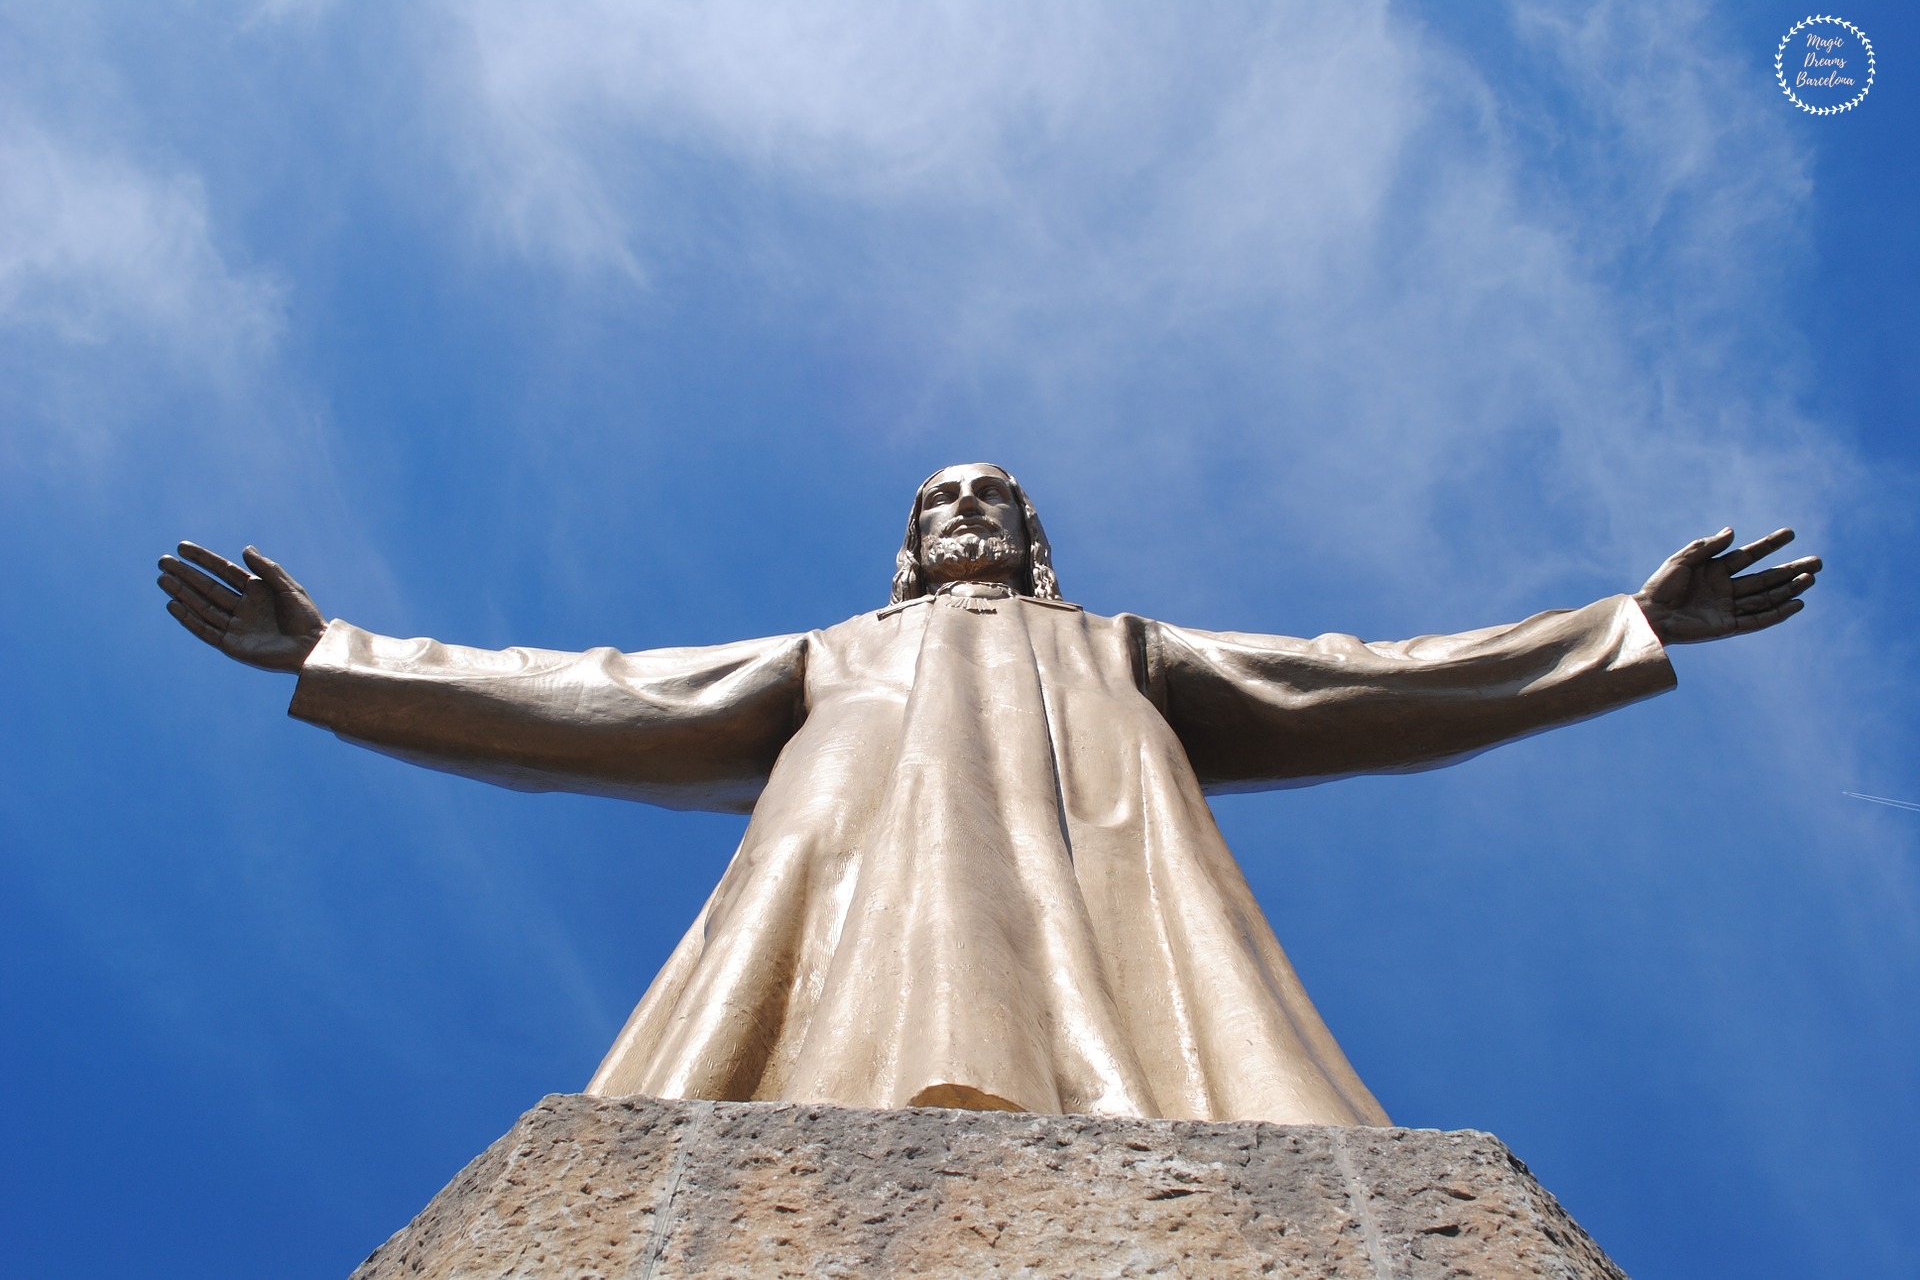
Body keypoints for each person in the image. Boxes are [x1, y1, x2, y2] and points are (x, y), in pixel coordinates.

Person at [157, 464, 1820, 1125]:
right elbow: (599, 690)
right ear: (906, 545)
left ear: (1032, 542)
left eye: (994, 498)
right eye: (942, 497)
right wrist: (345, 650)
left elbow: (1359, 677)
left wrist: (1624, 623)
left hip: (1108, 900)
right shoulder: (836, 653)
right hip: (851, 888)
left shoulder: (1122, 644)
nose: (965, 508)